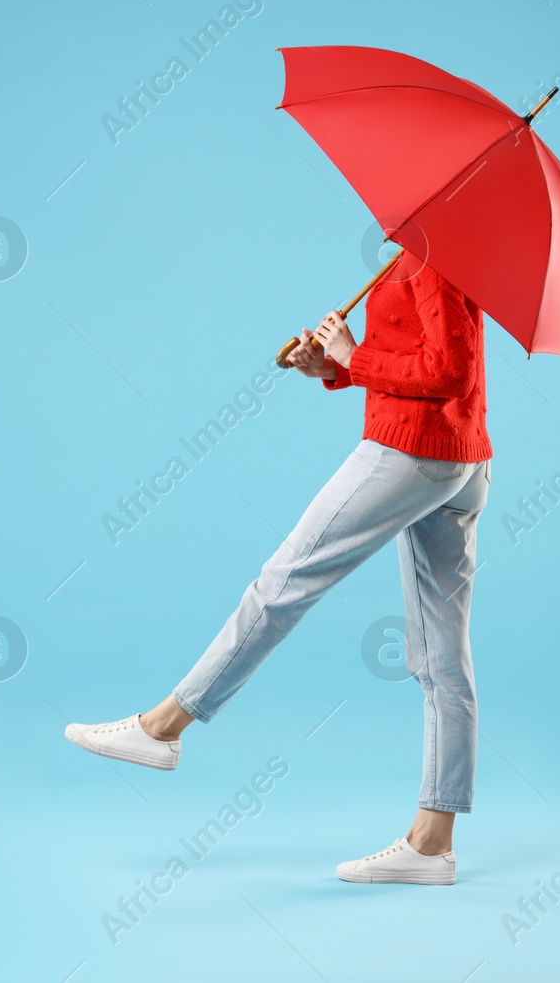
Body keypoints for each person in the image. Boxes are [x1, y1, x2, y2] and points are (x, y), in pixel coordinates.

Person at [64, 247, 491, 885]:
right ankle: (433, 844)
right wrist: (333, 369)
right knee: (441, 656)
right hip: (462, 461)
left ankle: (163, 727)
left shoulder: (433, 256)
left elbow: (450, 372)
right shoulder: (430, 251)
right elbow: (424, 356)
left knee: (285, 582)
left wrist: (354, 355)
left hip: (411, 452)